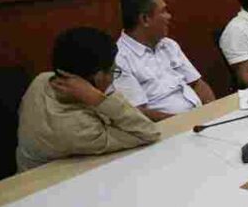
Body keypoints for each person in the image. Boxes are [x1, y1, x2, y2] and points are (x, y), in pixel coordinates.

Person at [16, 27, 159, 172]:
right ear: (98, 77)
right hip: (44, 188)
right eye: (113, 71)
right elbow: (147, 132)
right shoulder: (81, 128)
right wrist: (98, 99)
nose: (113, 79)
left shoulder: (41, 80)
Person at [113, 0, 215, 121]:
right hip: (168, 129)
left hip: (199, 120)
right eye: (163, 11)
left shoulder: (168, 45)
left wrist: (214, 112)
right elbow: (138, 112)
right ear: (145, 19)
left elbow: (198, 84)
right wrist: (185, 122)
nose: (169, 16)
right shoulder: (119, 58)